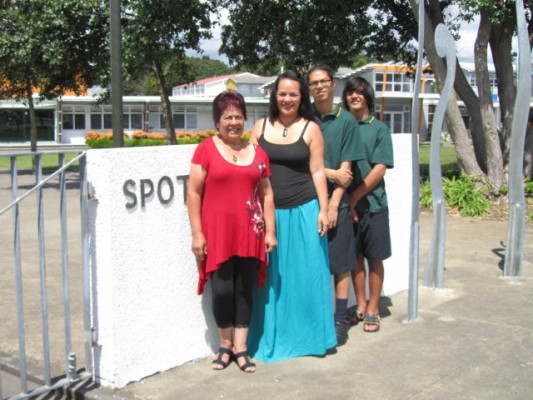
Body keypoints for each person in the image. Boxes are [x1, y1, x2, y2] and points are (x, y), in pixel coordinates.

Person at [247, 70, 337, 362]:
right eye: (282, 93)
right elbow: (250, 170)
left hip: (304, 212)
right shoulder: (259, 127)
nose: (287, 99)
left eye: (293, 94)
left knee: (309, 278)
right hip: (269, 217)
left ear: (302, 97)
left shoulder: (310, 128)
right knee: (272, 282)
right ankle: (273, 337)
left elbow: (317, 171)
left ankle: (312, 338)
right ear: (274, 95)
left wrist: (324, 210)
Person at [186, 90, 277, 373]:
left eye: (238, 116)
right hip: (218, 234)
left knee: (244, 291)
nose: (234, 122)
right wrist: (197, 233)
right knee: (223, 290)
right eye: (228, 117)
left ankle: (241, 348)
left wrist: (271, 232)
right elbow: (193, 192)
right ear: (217, 121)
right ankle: (224, 345)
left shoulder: (258, 152)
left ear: (245, 119)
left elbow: (267, 193)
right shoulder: (205, 149)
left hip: (251, 231)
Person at [307, 65, 365, 346]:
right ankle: (314, 317)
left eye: (323, 81)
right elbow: (301, 162)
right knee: (312, 264)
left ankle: (340, 319)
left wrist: (333, 205)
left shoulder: (346, 122)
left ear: (333, 84)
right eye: (314, 83)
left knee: (341, 265)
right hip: (307, 202)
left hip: (336, 204)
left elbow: (347, 170)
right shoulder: (303, 119)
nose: (319, 87)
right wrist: (329, 174)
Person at [342, 76, 394, 333]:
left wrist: (354, 198)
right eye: (350, 92)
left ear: (367, 96)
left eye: (359, 92)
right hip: (347, 209)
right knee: (355, 259)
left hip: (373, 207)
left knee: (374, 258)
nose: (354, 96)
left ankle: (374, 308)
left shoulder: (380, 129)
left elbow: (379, 170)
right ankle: (360, 306)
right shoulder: (344, 126)